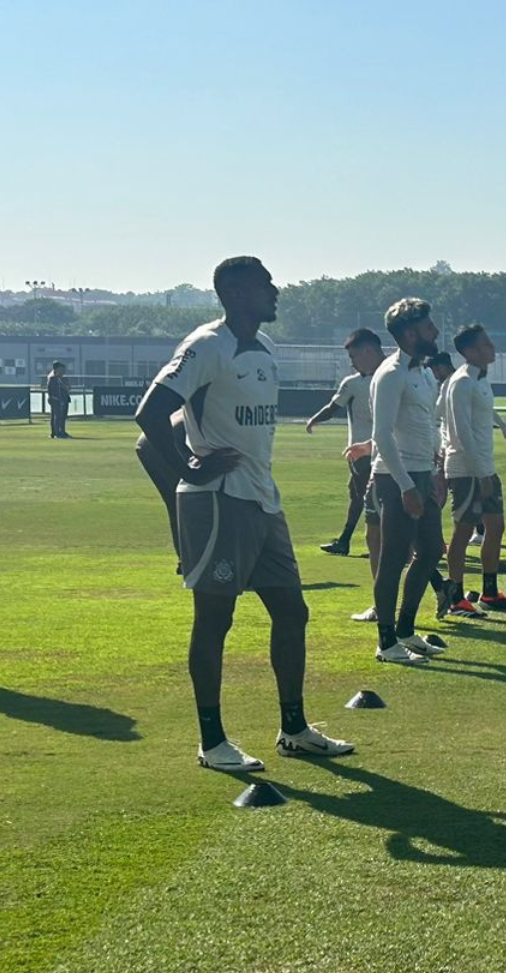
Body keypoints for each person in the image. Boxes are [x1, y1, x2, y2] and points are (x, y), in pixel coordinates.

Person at [134, 256, 352, 772]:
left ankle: (294, 729)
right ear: (234, 293)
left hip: (262, 500)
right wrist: (191, 464)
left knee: (292, 612)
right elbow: (149, 414)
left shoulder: (266, 349)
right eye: (264, 284)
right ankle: (212, 743)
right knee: (215, 619)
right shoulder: (208, 346)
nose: (276, 291)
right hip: (216, 503)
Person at [363, 298, 452, 664]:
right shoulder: (391, 373)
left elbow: (428, 424)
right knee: (394, 557)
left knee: (432, 551)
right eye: (429, 327)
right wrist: (405, 485)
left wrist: (433, 472)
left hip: (421, 474)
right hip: (394, 476)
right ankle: (386, 642)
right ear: (410, 332)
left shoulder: (424, 372)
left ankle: (405, 629)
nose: (435, 332)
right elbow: (381, 434)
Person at [442, 325, 506, 613]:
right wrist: (480, 474)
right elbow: (461, 432)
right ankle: (455, 597)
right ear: (469, 351)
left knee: (496, 526)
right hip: (467, 470)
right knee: (463, 531)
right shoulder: (461, 381)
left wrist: (504, 427)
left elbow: (486, 409)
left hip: (485, 467)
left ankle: (489, 593)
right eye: (485, 344)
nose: (491, 348)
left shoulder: (480, 379)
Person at [308, 329, 382, 557]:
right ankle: (346, 540)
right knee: (360, 496)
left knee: (370, 499)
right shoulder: (390, 376)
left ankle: (379, 542)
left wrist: (313, 420)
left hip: (362, 452)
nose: (352, 363)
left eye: (353, 357)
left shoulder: (353, 383)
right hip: (375, 450)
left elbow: (332, 409)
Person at [134, 410, 191, 573]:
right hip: (162, 441)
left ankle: (185, 561)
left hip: (150, 441)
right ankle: (189, 561)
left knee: (176, 505)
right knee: (185, 504)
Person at [46, 361, 72, 439]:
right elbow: (51, 389)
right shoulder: (52, 378)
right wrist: (52, 397)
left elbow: (68, 387)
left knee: (61, 416)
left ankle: (61, 431)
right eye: (61, 369)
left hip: (62, 399)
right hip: (55, 399)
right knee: (56, 416)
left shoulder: (62, 378)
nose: (63, 371)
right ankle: (56, 432)